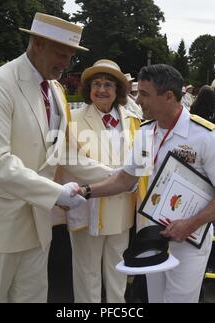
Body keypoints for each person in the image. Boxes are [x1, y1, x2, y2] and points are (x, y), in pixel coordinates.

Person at [0, 13, 111, 303]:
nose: (65, 63)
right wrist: (57, 193)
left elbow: (62, 154)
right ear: (37, 44)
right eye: (61, 54)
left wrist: (116, 175)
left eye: (71, 56)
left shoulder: (56, 90)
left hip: (37, 226)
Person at [76, 64, 215, 303]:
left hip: (188, 241)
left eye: (144, 94)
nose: (137, 100)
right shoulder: (144, 132)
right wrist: (85, 191)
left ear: (169, 96)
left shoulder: (207, 137)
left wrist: (190, 224)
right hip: (153, 238)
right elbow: (125, 179)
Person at [62, 60, 140, 302]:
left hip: (121, 208)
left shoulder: (133, 121)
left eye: (108, 84)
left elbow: (141, 161)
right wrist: (118, 177)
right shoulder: (71, 119)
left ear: (118, 90)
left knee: (118, 271)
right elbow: (68, 159)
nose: (102, 90)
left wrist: (129, 179)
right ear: (88, 89)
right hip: (88, 206)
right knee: (87, 274)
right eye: (96, 84)